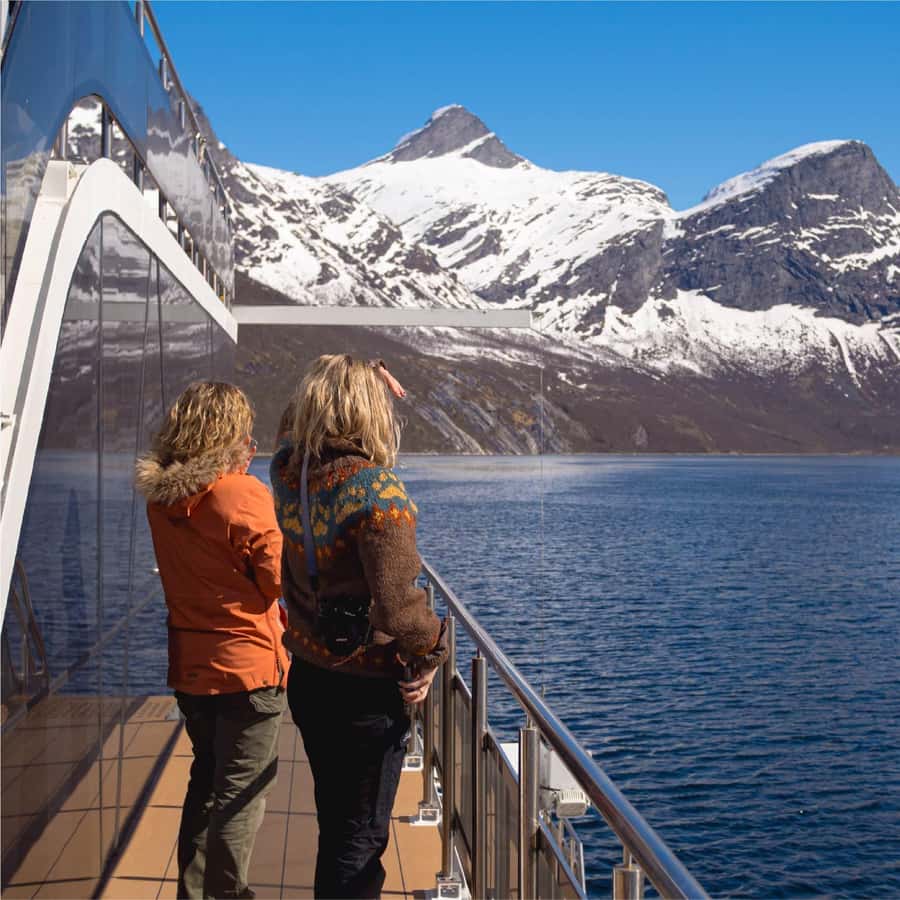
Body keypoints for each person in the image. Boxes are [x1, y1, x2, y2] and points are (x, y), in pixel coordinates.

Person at [270, 354, 447, 899]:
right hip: (364, 694)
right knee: (360, 843)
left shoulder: (289, 473)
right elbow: (399, 610)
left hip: (310, 676)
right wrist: (433, 651)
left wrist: (354, 376)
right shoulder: (378, 493)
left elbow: (287, 434)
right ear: (372, 410)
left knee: (338, 825)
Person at [136, 381, 289, 900]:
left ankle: (195, 892)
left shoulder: (161, 500)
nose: (250, 445)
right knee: (240, 796)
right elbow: (278, 580)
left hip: (192, 668)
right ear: (228, 434)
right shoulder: (241, 493)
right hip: (249, 671)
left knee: (204, 784)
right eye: (245, 435)